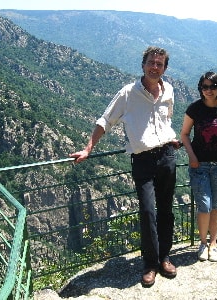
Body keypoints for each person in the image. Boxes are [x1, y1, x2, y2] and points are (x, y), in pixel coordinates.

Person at [70, 46, 181, 287]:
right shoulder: (128, 93)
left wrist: (169, 136)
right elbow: (105, 121)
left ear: (165, 68)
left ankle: (165, 258)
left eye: (159, 64)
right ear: (143, 65)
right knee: (148, 211)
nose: (154, 67)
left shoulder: (169, 90)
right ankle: (150, 264)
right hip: (143, 160)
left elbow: (167, 118)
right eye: (151, 62)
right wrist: (88, 148)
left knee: (166, 210)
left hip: (167, 156)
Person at [180, 71, 217, 262]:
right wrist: (192, 156)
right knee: (204, 206)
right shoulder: (194, 109)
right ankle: (203, 244)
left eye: (212, 86)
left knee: (216, 206)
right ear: (200, 89)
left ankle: (213, 244)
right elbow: (184, 134)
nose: (209, 90)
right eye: (205, 87)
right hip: (200, 166)